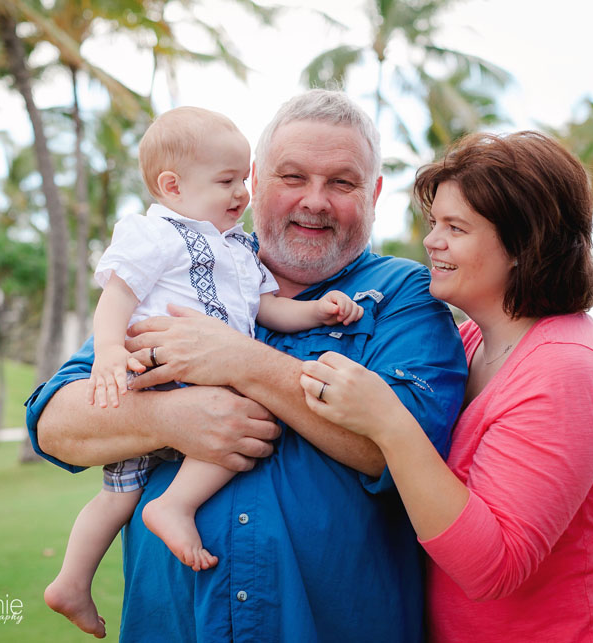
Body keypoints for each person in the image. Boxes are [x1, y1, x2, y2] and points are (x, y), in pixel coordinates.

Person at [25, 90, 468, 642]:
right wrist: (170, 417)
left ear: (374, 193)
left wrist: (243, 363)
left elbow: (410, 454)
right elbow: (56, 423)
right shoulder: (179, 268)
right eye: (292, 177)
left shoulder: (405, 297)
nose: (315, 201)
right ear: (254, 180)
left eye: (342, 182)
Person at [299, 131, 593, 641]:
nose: (432, 241)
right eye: (435, 223)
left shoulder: (566, 368)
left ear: (523, 244)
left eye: (457, 227)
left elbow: (493, 568)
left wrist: (388, 422)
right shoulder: (471, 340)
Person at [43, 106, 364, 638]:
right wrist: (106, 353)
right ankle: (170, 506)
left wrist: (318, 310)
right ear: (172, 185)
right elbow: (116, 297)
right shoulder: (157, 234)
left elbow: (268, 310)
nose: (241, 192)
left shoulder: (238, 249)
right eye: (226, 181)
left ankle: (71, 582)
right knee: (248, 419)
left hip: (192, 374)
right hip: (164, 371)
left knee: (119, 496)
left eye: (243, 178)